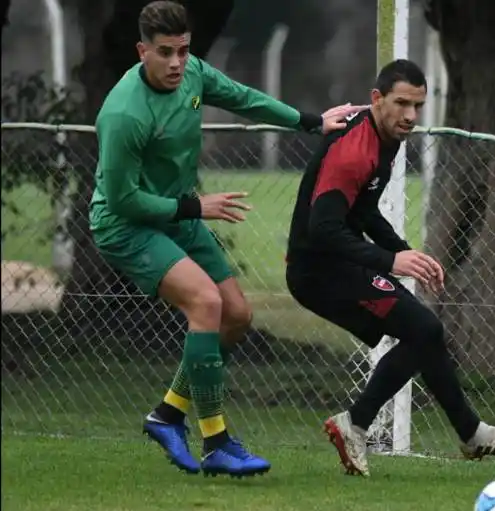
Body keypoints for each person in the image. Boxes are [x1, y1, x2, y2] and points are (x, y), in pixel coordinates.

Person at [89, 0, 366, 478]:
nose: (177, 63)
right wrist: (196, 207)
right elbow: (122, 202)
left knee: (236, 315)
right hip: (126, 226)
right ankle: (216, 442)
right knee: (205, 306)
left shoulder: (193, 73)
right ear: (141, 52)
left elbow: (241, 96)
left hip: (178, 213)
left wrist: (310, 121)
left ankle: (167, 415)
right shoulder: (123, 114)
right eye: (165, 53)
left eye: (183, 50)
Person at [285, 59, 495, 477]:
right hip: (319, 273)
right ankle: (359, 424)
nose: (411, 116)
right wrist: (391, 260)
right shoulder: (353, 150)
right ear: (376, 99)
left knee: (425, 332)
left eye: (418, 105)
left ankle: (470, 434)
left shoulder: (387, 137)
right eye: (401, 103)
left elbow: (361, 213)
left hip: (339, 263)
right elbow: (323, 229)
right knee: (424, 329)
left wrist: (404, 252)